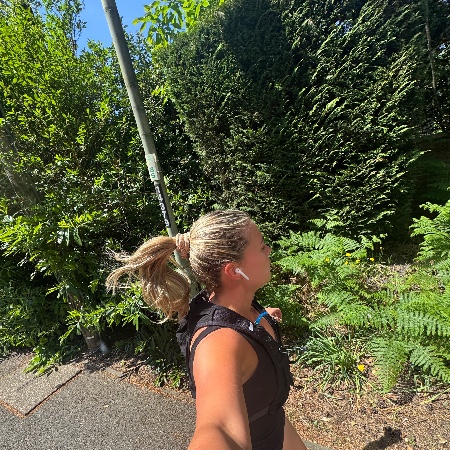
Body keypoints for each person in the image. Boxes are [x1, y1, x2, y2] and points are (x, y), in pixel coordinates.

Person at [106, 209, 308, 450]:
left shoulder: (233, 303)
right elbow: (220, 429)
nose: (269, 251)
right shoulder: (219, 344)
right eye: (262, 246)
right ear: (233, 270)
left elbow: (243, 331)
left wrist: (264, 319)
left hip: (276, 425)